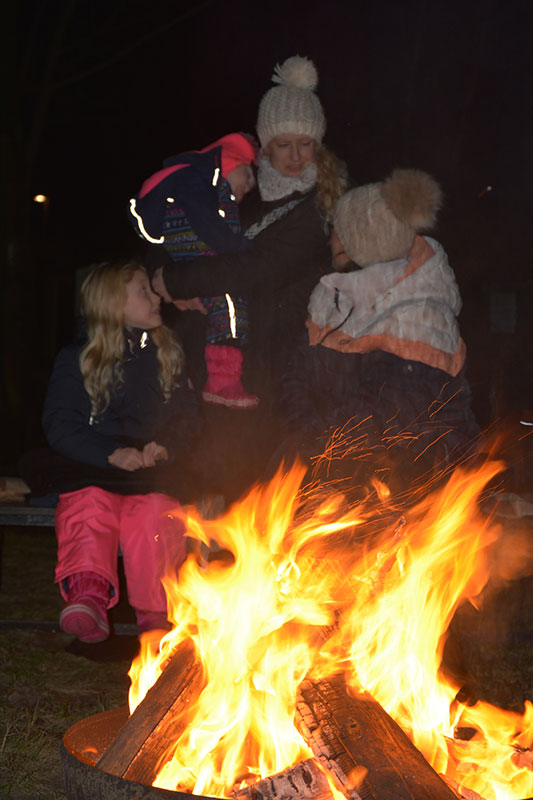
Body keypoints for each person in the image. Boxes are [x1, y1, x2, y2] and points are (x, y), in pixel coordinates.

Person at [150, 55, 348, 498]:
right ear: (265, 144)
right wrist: (167, 282)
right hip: (218, 355)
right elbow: (181, 230)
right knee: (213, 486)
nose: (296, 157)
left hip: (275, 367)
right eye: (284, 145)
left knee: (260, 493)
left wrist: (178, 281)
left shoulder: (318, 207)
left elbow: (259, 270)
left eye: (306, 144)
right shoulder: (241, 192)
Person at [21, 261, 201, 643]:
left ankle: (156, 611)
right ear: (113, 305)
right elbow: (60, 424)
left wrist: (167, 446)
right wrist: (108, 453)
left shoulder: (169, 354)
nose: (156, 297)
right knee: (89, 505)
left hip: (151, 468)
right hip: (94, 465)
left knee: (152, 512)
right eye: (144, 291)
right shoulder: (78, 358)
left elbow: (189, 419)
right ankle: (88, 593)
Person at [280, 169, 481, 489]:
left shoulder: (419, 310)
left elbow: (394, 409)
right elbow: (296, 379)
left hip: (416, 484)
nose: (332, 237)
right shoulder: (331, 302)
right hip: (336, 468)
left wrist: (323, 443)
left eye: (341, 230)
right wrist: (307, 439)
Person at [130, 133, 259, 408]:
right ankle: (223, 382)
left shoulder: (191, 181)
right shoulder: (198, 182)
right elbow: (209, 227)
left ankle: (219, 380)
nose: (246, 189)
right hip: (194, 251)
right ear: (230, 163)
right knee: (230, 304)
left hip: (184, 252)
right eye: (246, 179)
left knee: (218, 302)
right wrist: (239, 248)